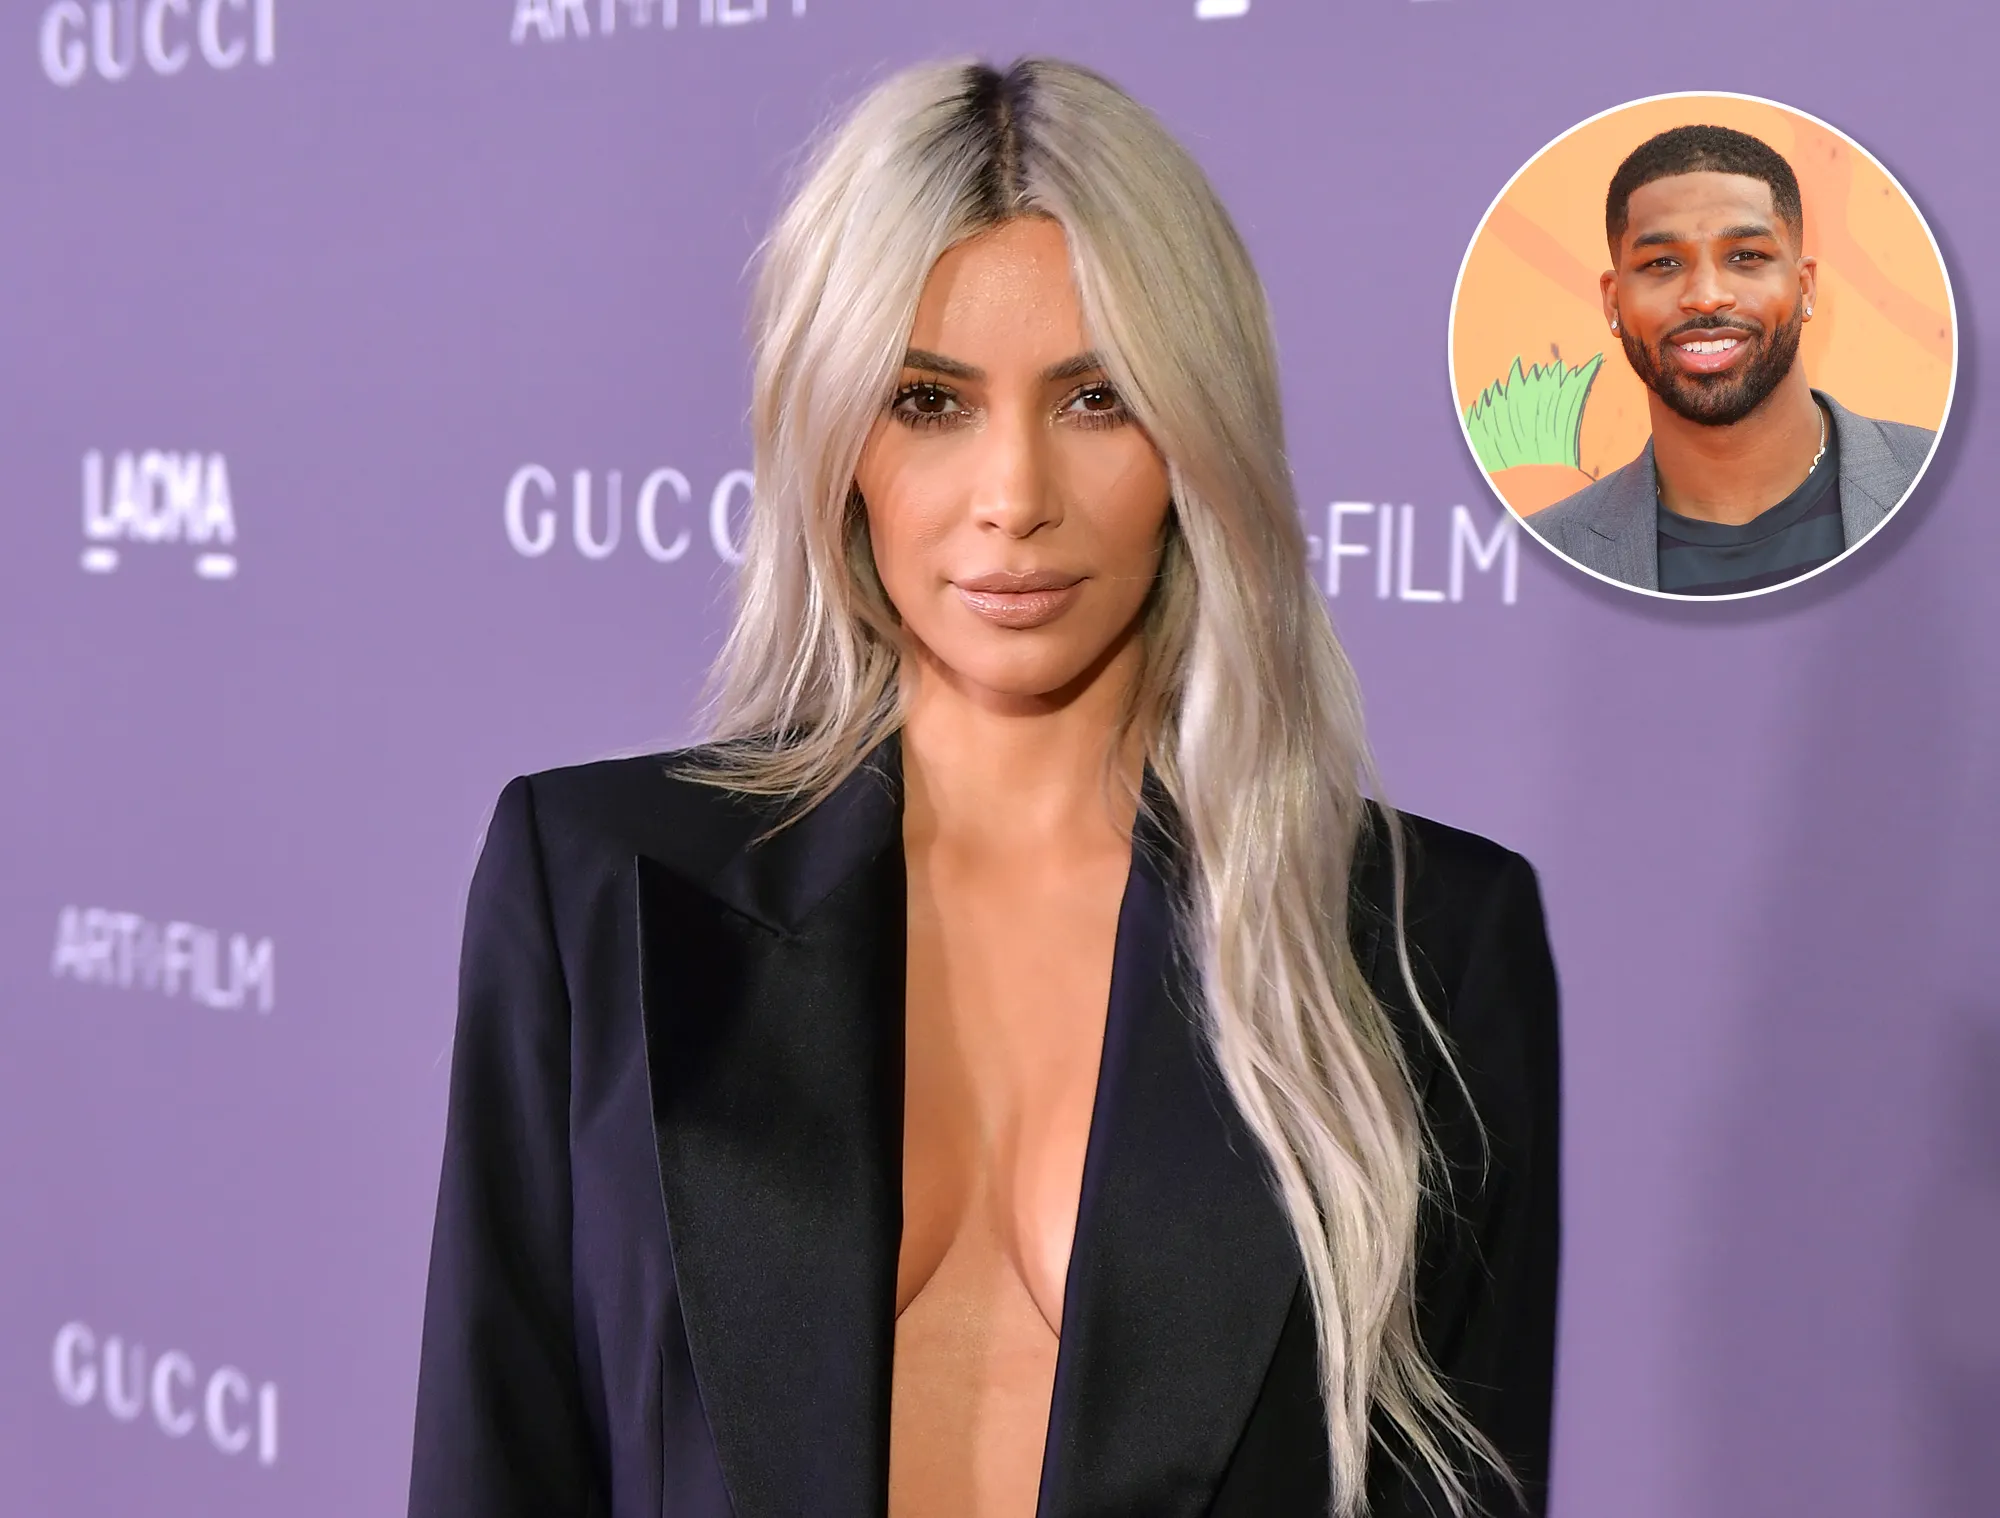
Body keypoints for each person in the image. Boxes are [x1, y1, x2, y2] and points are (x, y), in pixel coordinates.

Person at [407, 57, 1560, 1518]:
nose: (1014, 495)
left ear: (1197, 434)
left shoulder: (1420, 943)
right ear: (835, 439)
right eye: (928, 400)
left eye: (1097, 397)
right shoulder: (599, 886)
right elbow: (495, 1460)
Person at [1528, 123, 1936, 595]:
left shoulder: (1957, 486)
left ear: (1805, 288)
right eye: (1662, 263)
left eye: (1745, 256)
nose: (1706, 296)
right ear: (1614, 302)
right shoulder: (1542, 559)